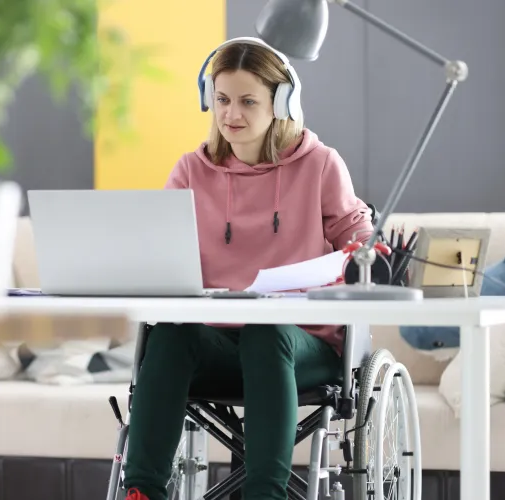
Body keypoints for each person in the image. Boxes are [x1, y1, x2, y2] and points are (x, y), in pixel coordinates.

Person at [123, 37, 374, 500]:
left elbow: (360, 243)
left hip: (302, 344)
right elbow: (155, 250)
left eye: (247, 101)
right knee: (171, 334)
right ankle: (142, 492)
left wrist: (364, 252)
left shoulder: (320, 165)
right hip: (217, 345)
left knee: (266, 331)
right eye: (221, 100)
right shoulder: (190, 171)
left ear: (281, 103)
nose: (230, 115)